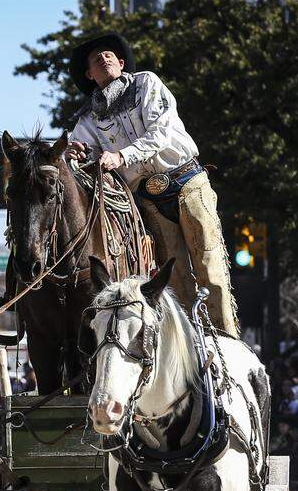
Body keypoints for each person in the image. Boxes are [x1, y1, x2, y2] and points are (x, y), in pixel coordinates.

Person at [63, 32, 237, 334]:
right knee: (176, 281)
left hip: (187, 182)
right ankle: (195, 350)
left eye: (108, 54)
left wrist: (121, 156)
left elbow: (162, 132)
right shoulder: (87, 120)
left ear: (120, 62)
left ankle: (227, 342)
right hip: (150, 202)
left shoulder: (146, 83)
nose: (103, 58)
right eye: (95, 59)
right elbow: (76, 155)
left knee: (210, 268)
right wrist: (73, 152)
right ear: (90, 75)